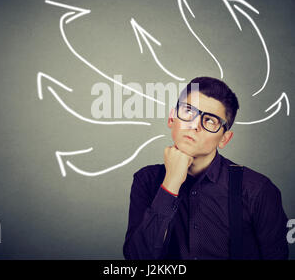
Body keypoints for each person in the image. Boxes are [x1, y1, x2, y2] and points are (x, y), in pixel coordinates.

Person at [123, 76, 289, 260]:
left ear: (225, 138)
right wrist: (170, 184)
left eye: (210, 121)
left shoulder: (257, 190)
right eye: (187, 111)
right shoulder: (146, 180)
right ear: (172, 117)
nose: (194, 125)